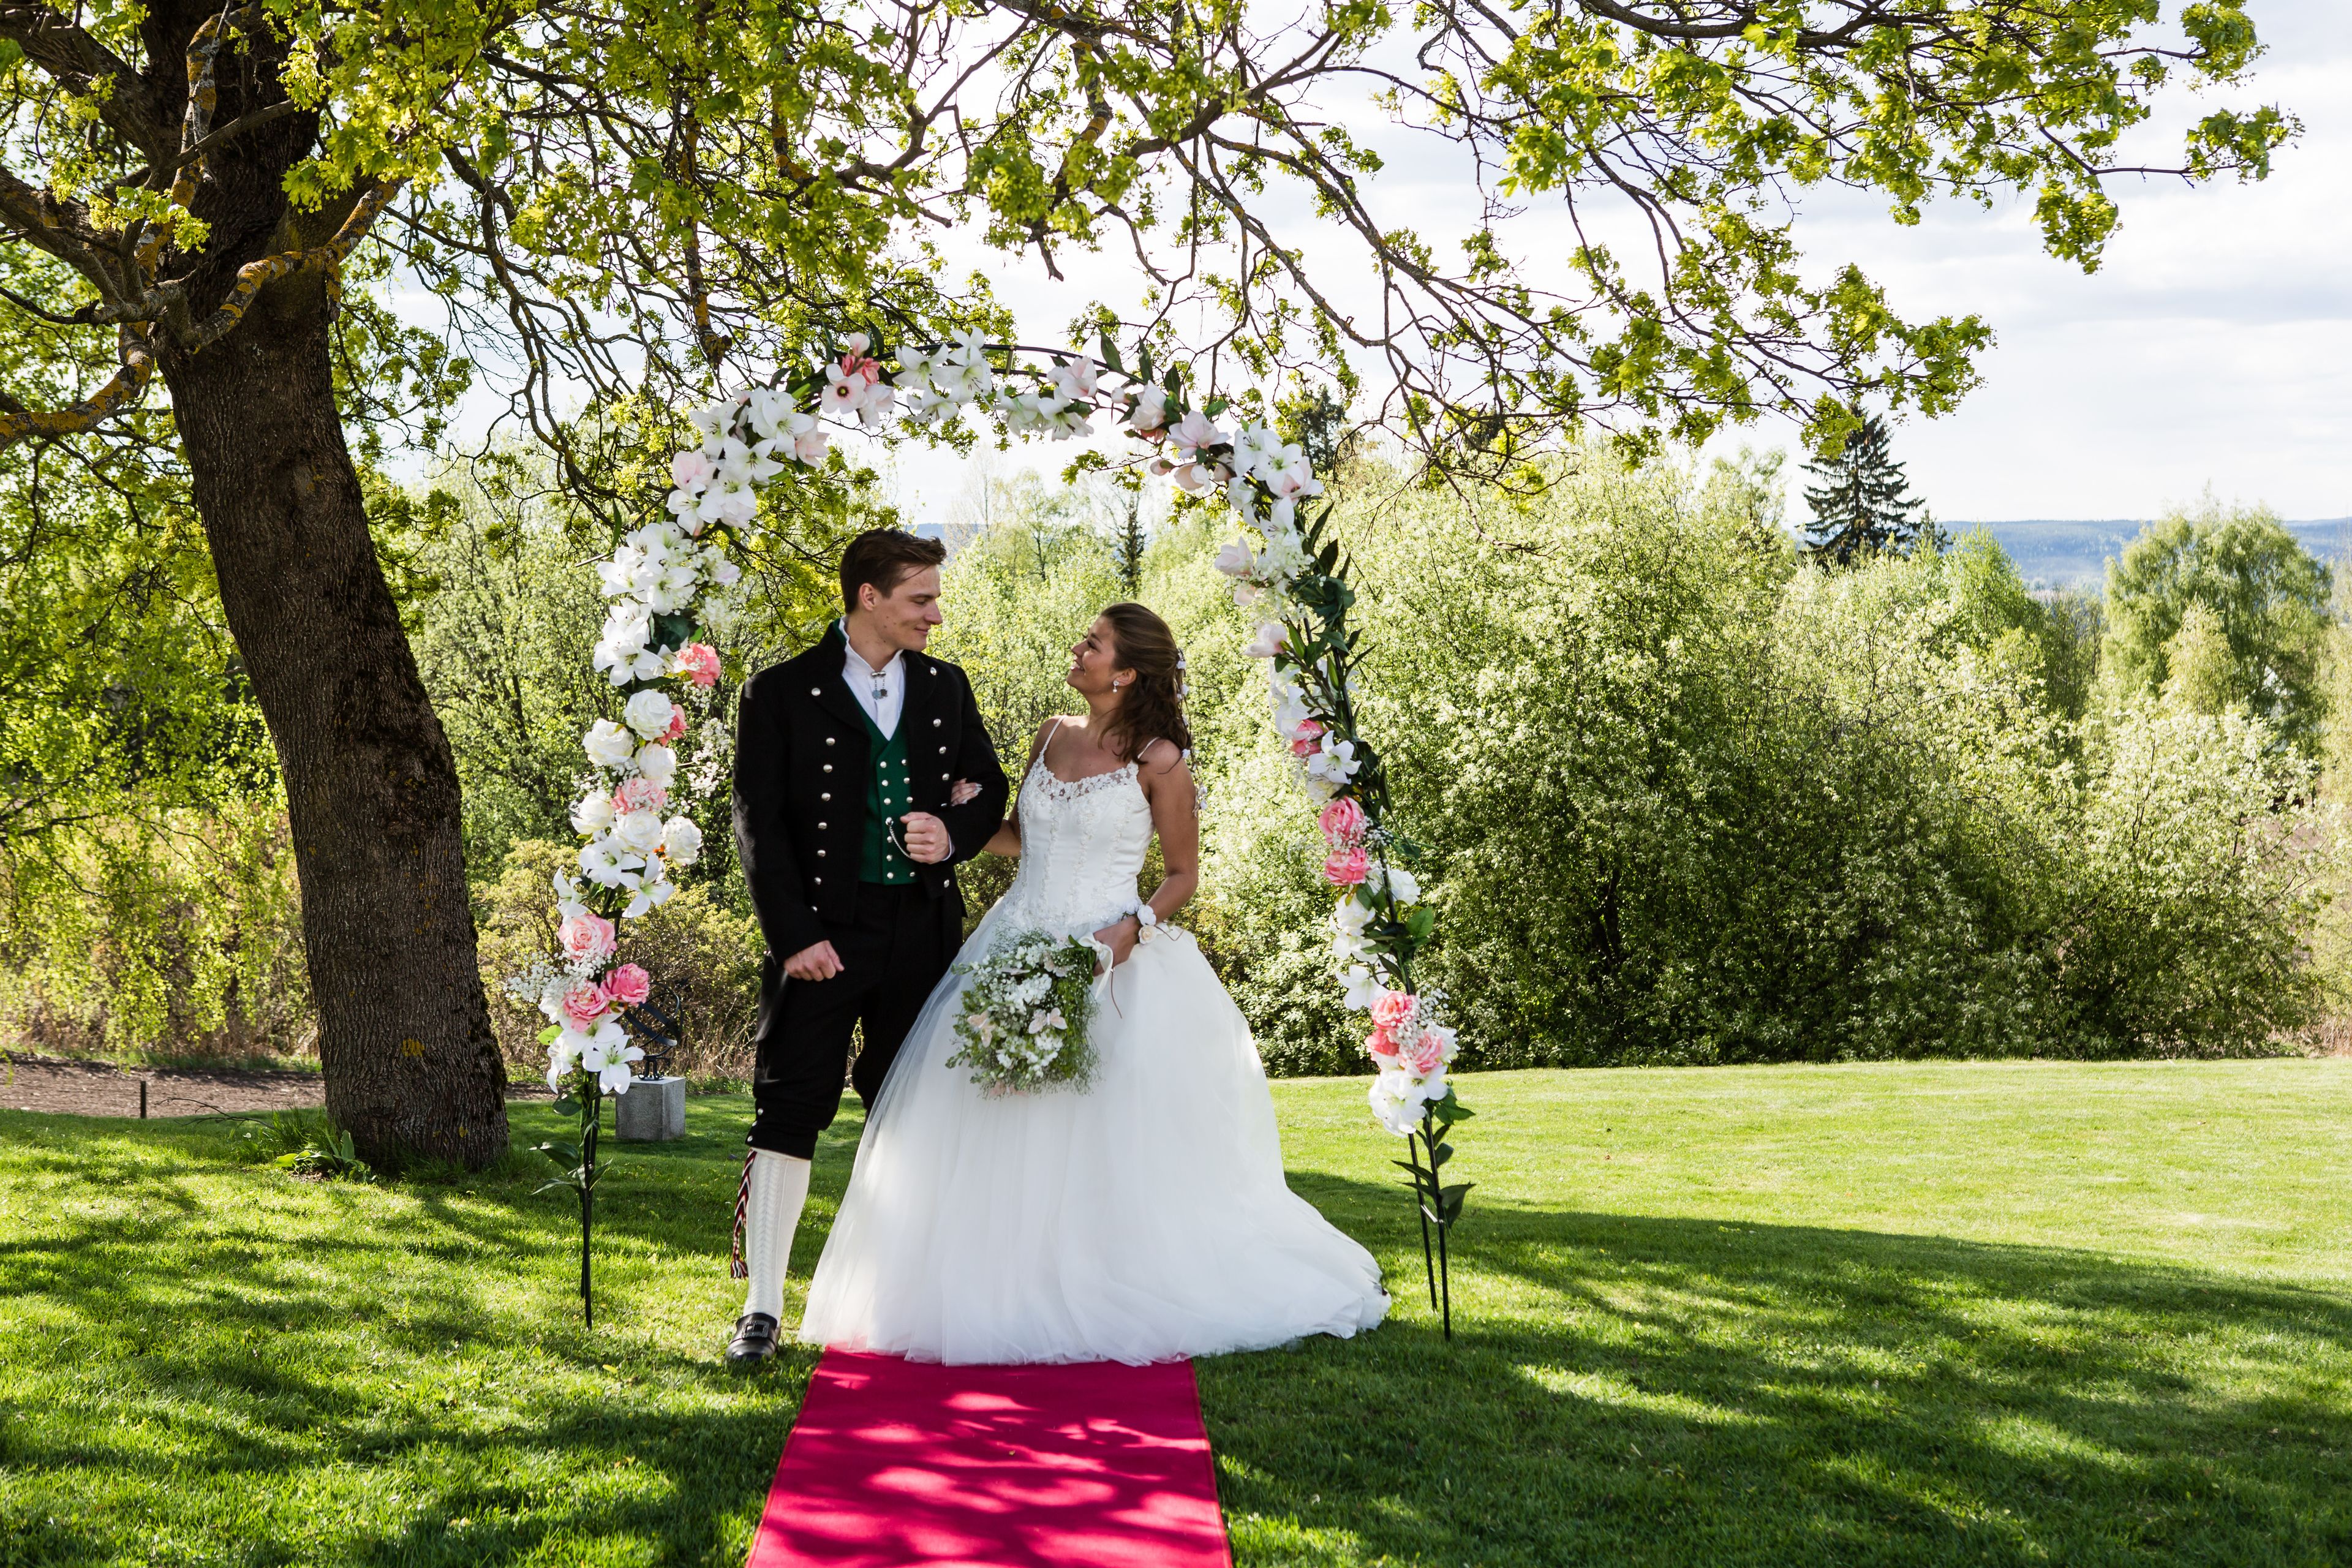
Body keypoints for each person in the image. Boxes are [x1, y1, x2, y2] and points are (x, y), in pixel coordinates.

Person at [797, 601, 1388, 1364]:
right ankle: (993, 1282)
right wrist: (951, 835)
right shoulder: (1050, 733)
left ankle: (1100, 1272)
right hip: (1014, 937)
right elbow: (1018, 837)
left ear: (1127, 670)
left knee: (1095, 1130)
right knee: (986, 1117)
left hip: (1109, 956)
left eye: (1094, 643)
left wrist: (1132, 928)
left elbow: (1183, 874)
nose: (1077, 650)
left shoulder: (1160, 760)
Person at [725, 528, 1009, 1368]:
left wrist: (950, 832)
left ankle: (908, 1295)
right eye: (920, 598)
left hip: (921, 930)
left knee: (912, 1105)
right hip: (821, 932)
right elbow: (758, 822)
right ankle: (763, 1309)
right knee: (790, 1106)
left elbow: (988, 789)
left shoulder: (944, 688)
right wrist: (794, 936)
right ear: (869, 597)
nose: (934, 612)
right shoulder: (778, 691)